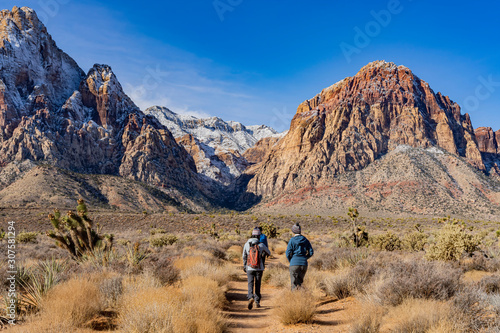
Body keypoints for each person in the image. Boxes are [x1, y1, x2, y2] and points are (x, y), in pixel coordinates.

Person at [243, 227, 271, 310]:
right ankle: (257, 301)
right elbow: (269, 252)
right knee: (258, 284)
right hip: (259, 267)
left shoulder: (247, 244)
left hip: (249, 267)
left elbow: (243, 256)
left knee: (250, 283)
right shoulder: (261, 245)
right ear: (259, 236)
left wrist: (245, 265)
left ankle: (250, 297)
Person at [286, 223, 314, 290]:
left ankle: (295, 298)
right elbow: (311, 252)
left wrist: (291, 260)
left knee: (293, 283)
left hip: (294, 263)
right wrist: (305, 258)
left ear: (293, 231)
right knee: (300, 282)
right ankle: (301, 297)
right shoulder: (305, 240)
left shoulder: (292, 240)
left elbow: (287, 253)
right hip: (304, 263)